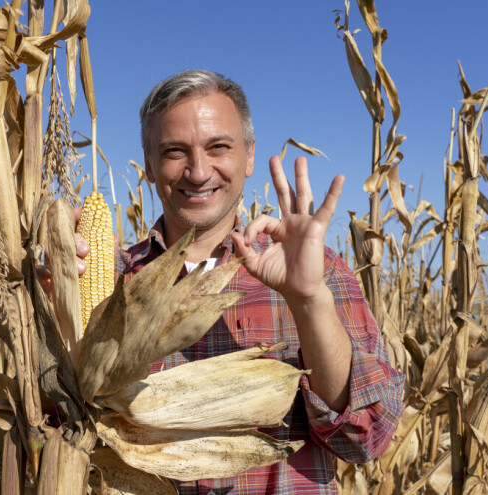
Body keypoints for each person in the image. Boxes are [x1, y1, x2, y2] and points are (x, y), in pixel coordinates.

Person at [61, 69, 405, 494]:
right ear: (148, 165)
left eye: (218, 147)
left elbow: (365, 437)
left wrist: (310, 300)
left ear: (249, 156)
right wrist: (59, 304)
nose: (199, 171)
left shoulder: (314, 271)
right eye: (174, 151)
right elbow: (60, 432)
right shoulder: (111, 282)